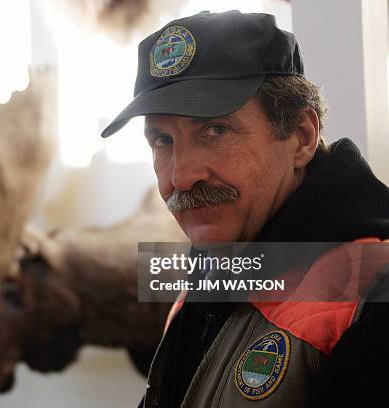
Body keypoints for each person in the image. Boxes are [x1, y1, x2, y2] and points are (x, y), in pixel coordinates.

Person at [101, 10, 389, 408]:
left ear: (302, 137)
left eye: (215, 131)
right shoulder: (214, 269)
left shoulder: (374, 297)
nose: (182, 177)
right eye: (162, 140)